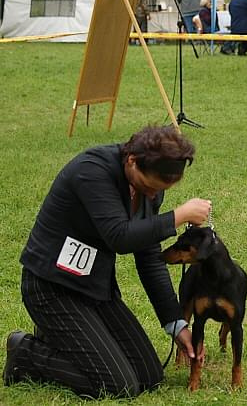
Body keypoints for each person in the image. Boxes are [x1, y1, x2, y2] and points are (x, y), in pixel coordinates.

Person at [3, 125, 212, 398]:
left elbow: (149, 256)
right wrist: (178, 216)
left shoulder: (150, 186)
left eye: (159, 191)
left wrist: (175, 323)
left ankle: (58, 337)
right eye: (149, 187)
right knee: (119, 385)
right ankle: (26, 353)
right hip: (51, 288)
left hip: (94, 289)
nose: (153, 196)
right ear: (132, 161)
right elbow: (120, 236)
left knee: (149, 377)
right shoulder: (92, 171)